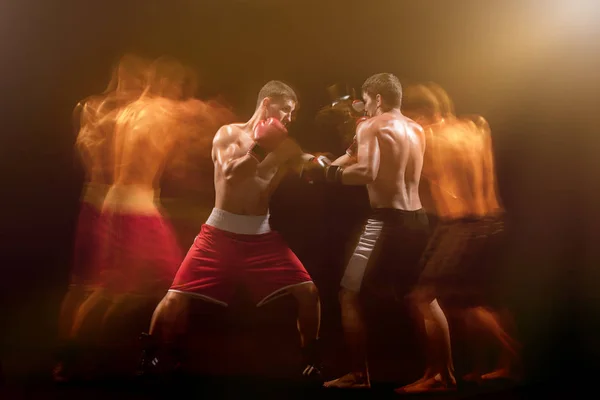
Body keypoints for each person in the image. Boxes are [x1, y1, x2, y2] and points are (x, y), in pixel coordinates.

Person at [139, 80, 322, 379]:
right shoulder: (229, 133)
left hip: (261, 237)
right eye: (286, 109)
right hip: (219, 234)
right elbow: (230, 173)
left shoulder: (286, 144)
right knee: (176, 297)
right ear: (266, 104)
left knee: (309, 292)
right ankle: (151, 358)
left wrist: (321, 162)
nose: (290, 117)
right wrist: (262, 146)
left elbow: (306, 164)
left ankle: (313, 360)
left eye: (293, 112)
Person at [303, 73, 430, 389]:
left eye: (367, 100)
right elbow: (356, 157)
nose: (366, 107)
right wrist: (332, 161)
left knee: (349, 294)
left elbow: (367, 172)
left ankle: (359, 376)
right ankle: (444, 374)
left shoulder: (371, 125)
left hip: (385, 220)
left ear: (377, 98)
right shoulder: (416, 129)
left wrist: (325, 176)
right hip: (417, 219)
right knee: (424, 299)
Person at [395, 83, 519, 394]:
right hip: (493, 220)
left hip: (462, 224)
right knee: (472, 303)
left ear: (422, 116)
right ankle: (508, 363)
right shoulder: (474, 127)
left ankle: (439, 377)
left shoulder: (432, 137)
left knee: (423, 299)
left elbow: (408, 175)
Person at [53, 54, 149, 381]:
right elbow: (94, 158)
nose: (142, 87)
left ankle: (87, 354)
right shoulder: (106, 110)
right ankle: (71, 357)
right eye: (139, 79)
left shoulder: (102, 108)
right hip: (104, 202)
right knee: (90, 285)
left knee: (107, 287)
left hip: (109, 201)